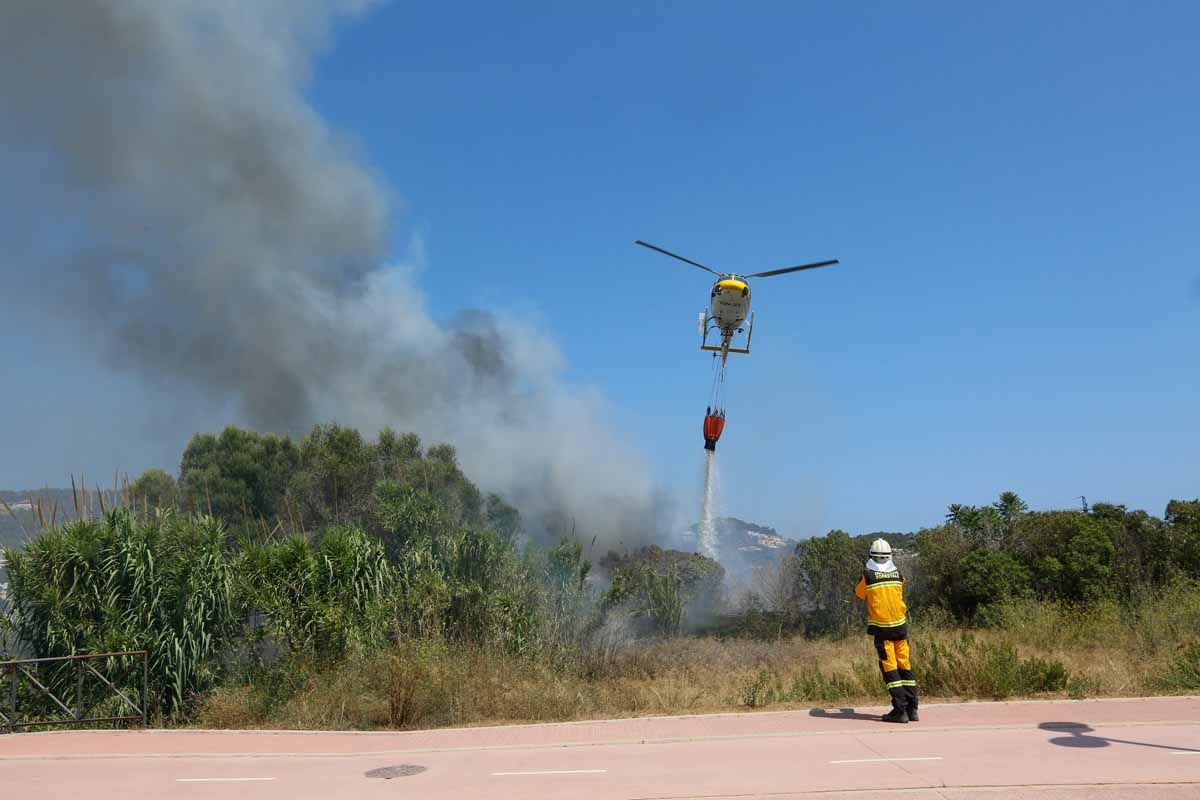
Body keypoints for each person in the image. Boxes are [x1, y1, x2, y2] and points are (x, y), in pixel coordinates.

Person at [853, 538, 918, 723]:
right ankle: (913, 709)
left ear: (871, 556)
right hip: (901, 627)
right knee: (905, 666)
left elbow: (858, 593)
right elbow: (901, 586)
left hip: (883, 630)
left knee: (890, 670)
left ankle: (900, 712)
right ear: (890, 556)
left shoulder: (868, 576)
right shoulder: (898, 574)